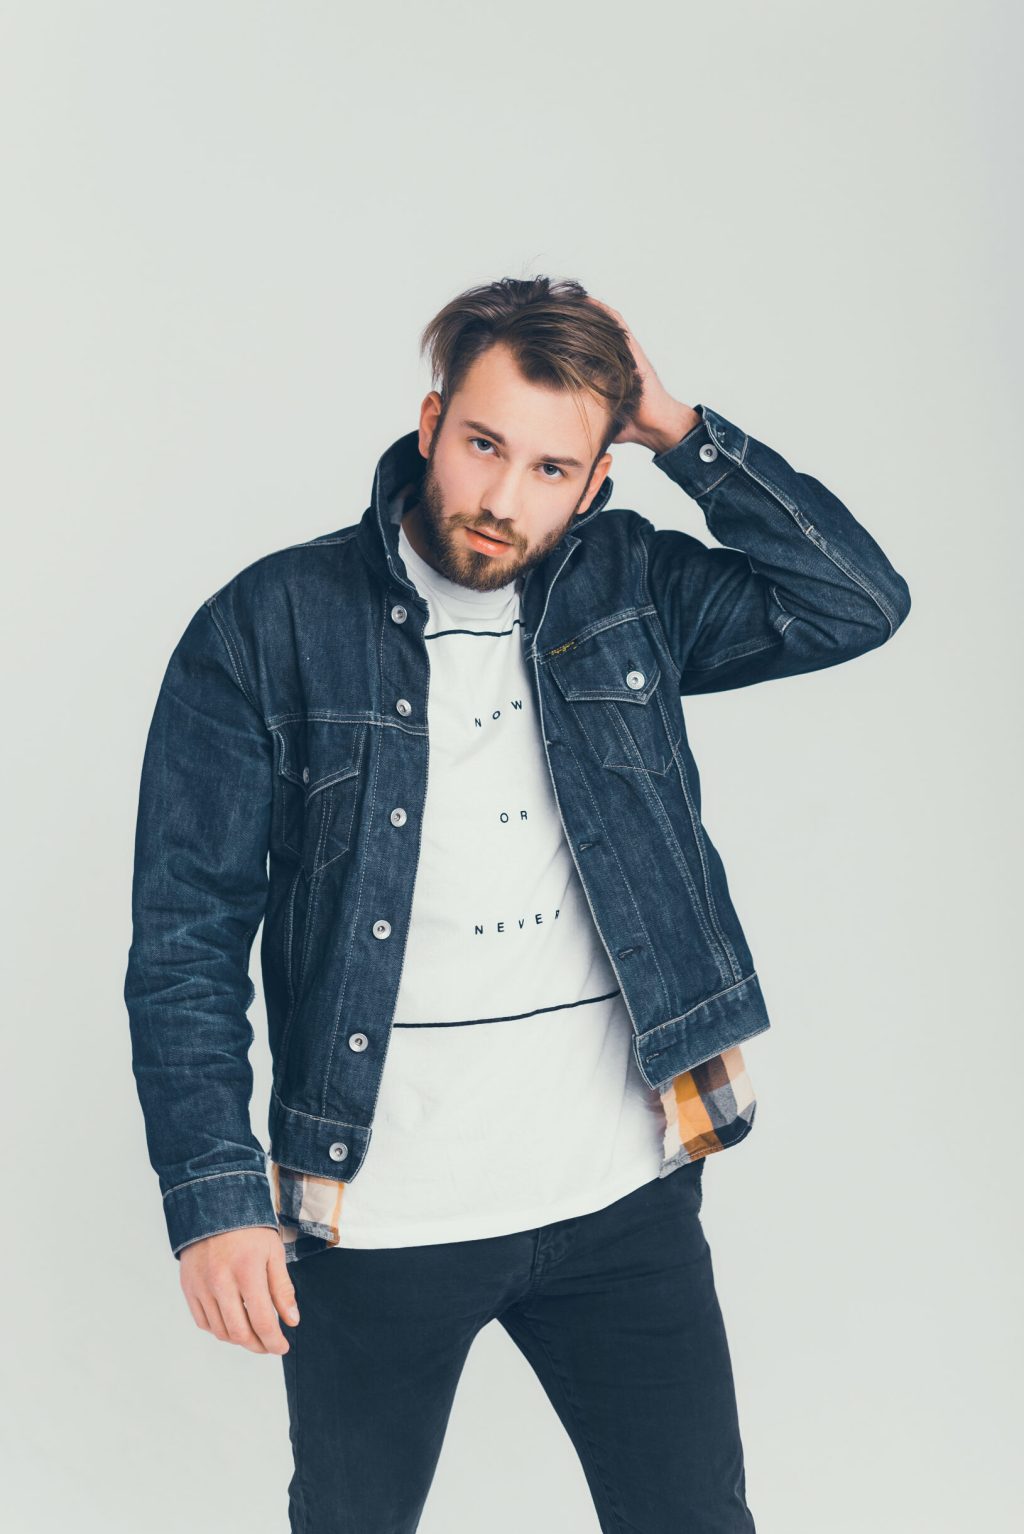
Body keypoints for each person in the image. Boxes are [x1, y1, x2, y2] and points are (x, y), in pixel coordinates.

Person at [124, 277, 911, 1532]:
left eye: (551, 466)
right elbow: (184, 937)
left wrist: (684, 432)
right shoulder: (267, 626)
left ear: (594, 484)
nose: (502, 498)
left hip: (621, 1195)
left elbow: (856, 603)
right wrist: (213, 1197)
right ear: (430, 422)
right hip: (373, 1216)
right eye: (484, 445)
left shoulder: (630, 590)